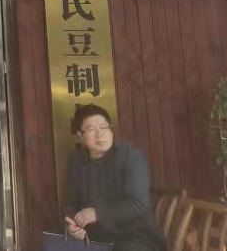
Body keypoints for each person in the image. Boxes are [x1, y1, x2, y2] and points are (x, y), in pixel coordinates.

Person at [64, 104, 167, 251]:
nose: (100, 134)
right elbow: (70, 204)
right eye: (92, 129)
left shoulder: (131, 157)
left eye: (104, 127)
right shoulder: (76, 162)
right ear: (80, 136)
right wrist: (72, 226)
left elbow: (139, 204)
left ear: (111, 131)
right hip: (95, 238)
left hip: (136, 237)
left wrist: (97, 214)